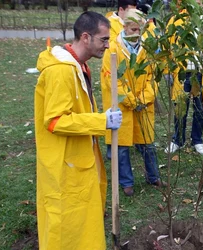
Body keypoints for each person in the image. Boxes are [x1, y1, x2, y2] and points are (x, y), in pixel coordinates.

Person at [34, 11, 122, 249]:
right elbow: (54, 121)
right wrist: (100, 121)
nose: (107, 45)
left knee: (82, 224)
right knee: (67, 226)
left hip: (77, 158)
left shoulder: (79, 66)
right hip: (64, 163)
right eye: (103, 39)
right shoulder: (61, 71)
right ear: (86, 37)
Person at [101, 9, 166, 197]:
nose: (137, 34)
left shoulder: (147, 48)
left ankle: (153, 176)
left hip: (143, 105)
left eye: (140, 30)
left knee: (147, 143)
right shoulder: (113, 49)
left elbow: (152, 78)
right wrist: (130, 100)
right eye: (133, 29)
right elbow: (112, 80)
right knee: (121, 147)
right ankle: (126, 182)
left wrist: (144, 99)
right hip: (121, 105)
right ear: (125, 27)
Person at [164, 3, 203, 155]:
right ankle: (178, 140)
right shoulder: (177, 20)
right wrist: (167, 70)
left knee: (200, 109)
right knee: (180, 108)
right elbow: (168, 45)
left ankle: (197, 140)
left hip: (202, 74)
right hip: (182, 72)